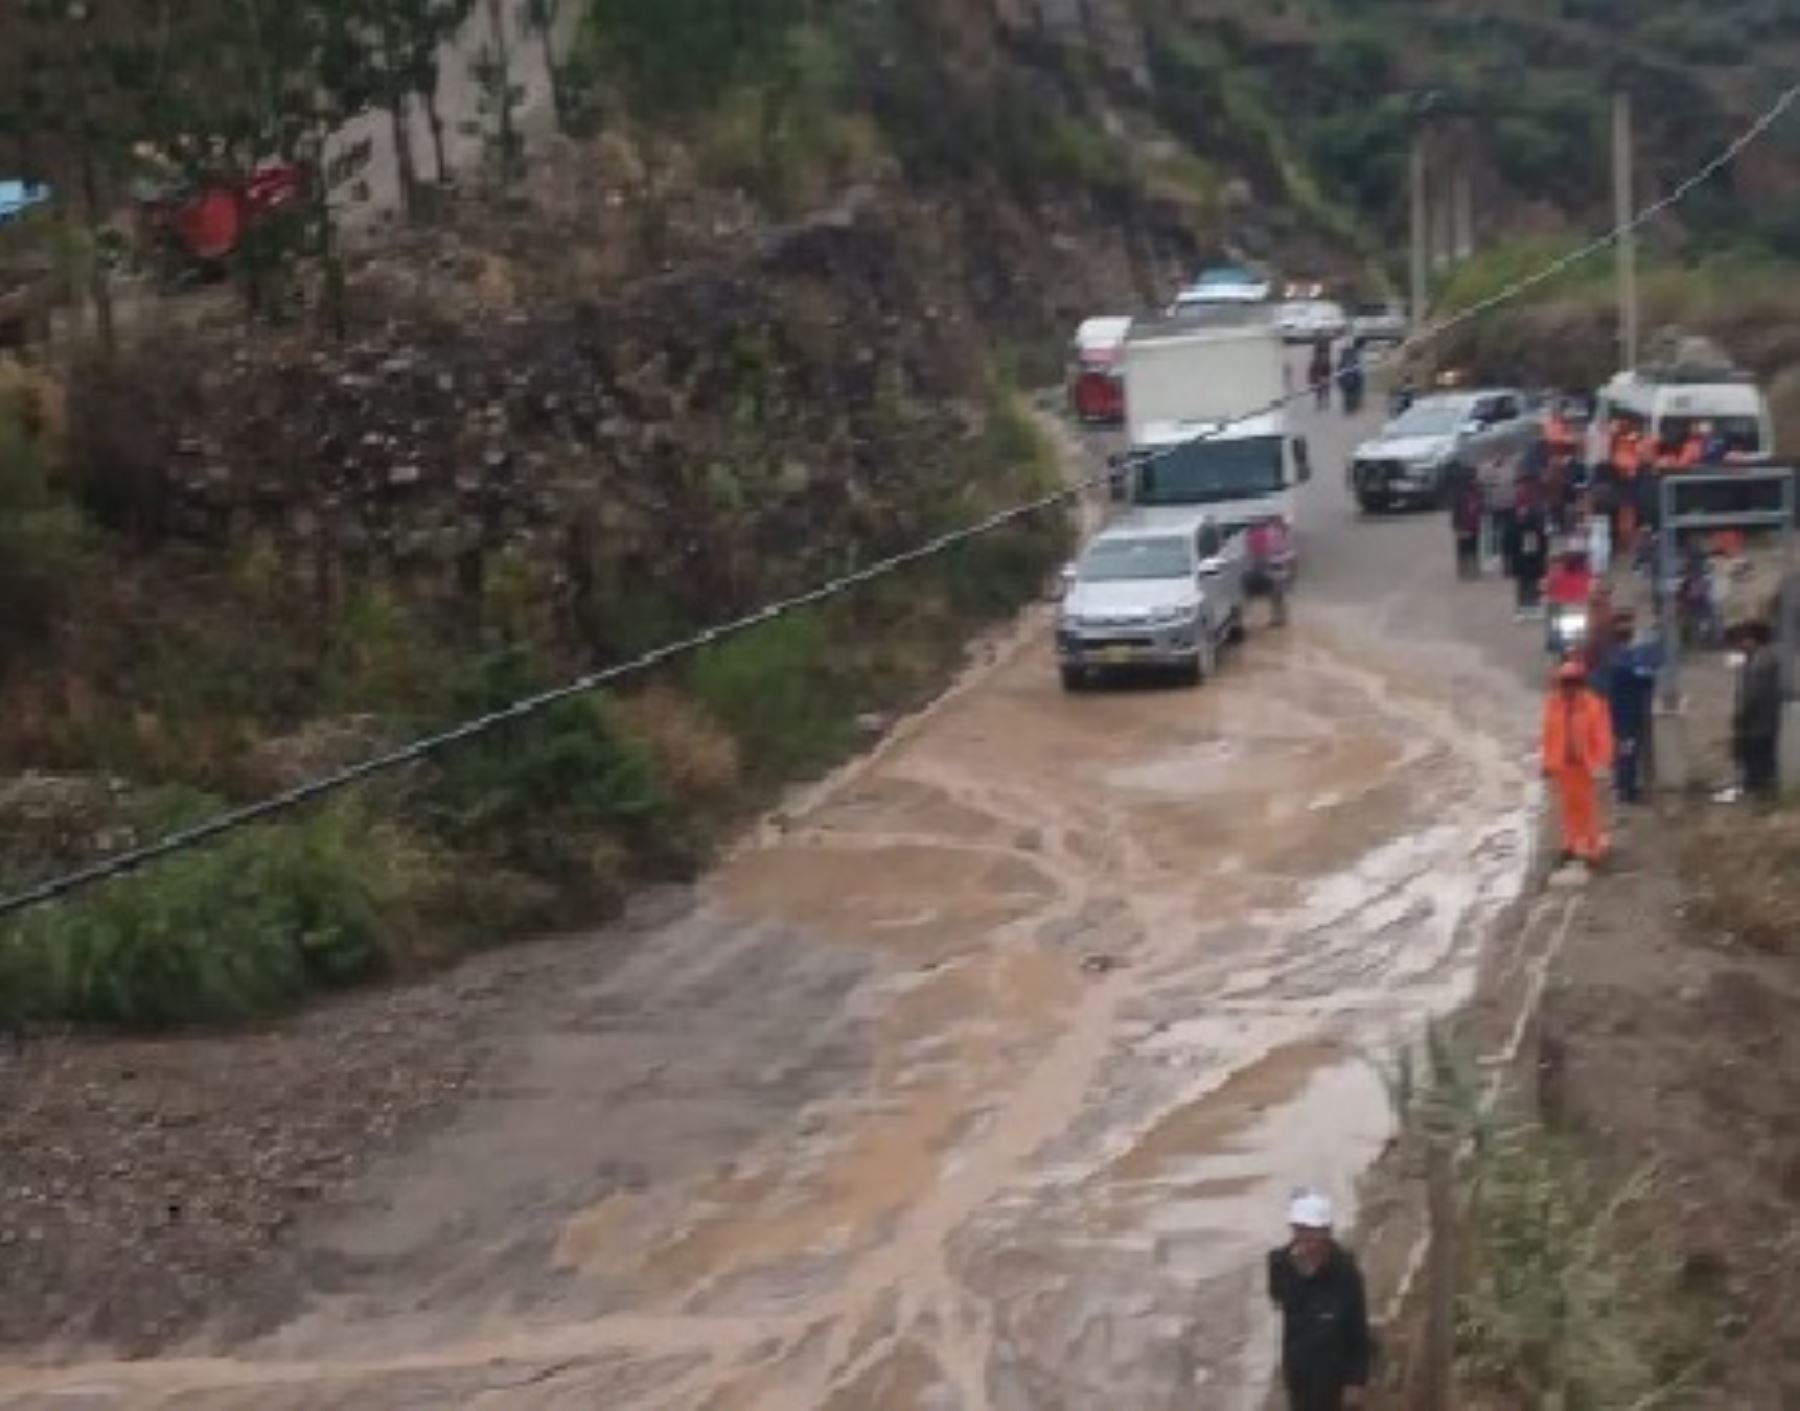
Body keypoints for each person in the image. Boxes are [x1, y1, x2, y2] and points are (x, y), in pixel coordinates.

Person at [1268, 1192, 1371, 1411]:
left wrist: (1356, 1381)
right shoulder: (1280, 1264)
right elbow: (1277, 1296)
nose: (1307, 1241)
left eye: (1312, 1233)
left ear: (1326, 1233)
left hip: (1336, 1374)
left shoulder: (1345, 1272)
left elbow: (1357, 1328)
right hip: (1300, 1371)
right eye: (1300, 1231)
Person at [1541, 659, 1614, 867]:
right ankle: (1571, 844)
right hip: (1564, 765)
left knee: (1590, 809)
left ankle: (1593, 847)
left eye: (1572, 683)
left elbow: (1603, 736)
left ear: (1580, 684)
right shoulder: (1553, 705)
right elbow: (1548, 735)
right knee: (1568, 807)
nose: (1568, 688)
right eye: (1565, 683)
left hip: (1587, 766)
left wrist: (1602, 762)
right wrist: (1547, 763)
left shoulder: (1594, 705)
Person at [1607, 609, 1661, 805]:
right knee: (1627, 751)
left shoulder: (1622, 655)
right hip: (1626, 715)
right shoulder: (1621, 658)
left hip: (1625, 713)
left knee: (1626, 750)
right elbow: (1644, 679)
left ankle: (1624, 785)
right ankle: (1626, 789)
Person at [1731, 619, 1783, 801]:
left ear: (1754, 640)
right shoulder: (1764, 658)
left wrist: (1740, 715)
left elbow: (1752, 694)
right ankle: (1760, 788)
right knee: (1763, 757)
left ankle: (1758, 791)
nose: (1740, 644)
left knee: (1756, 757)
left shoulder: (1761, 662)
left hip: (1758, 722)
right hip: (1765, 720)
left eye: (1744, 639)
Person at [1247, 515, 1293, 626]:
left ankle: (1280, 618)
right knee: (1276, 594)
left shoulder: (1275, 534)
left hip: (1276, 565)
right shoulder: (1277, 533)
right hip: (1276, 565)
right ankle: (1279, 617)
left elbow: (1274, 550)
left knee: (1276, 594)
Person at [1452, 476, 1483, 580]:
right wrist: (1456, 525)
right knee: (1463, 549)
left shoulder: (1477, 495)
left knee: (1473, 548)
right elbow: (1456, 511)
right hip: (1463, 526)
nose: (1474, 483)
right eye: (1472, 481)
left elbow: (1479, 511)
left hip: (1473, 526)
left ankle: (1473, 570)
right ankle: (1463, 571)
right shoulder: (1461, 495)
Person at [1336, 341, 1365, 416]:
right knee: (1349, 394)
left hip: (1349, 378)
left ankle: (1349, 408)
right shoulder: (1352, 356)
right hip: (1350, 378)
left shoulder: (1346, 356)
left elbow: (1339, 369)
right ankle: (1350, 408)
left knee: (1348, 394)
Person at [1309, 338, 1333, 411]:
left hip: (1324, 374)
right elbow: (1313, 369)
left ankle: (1324, 403)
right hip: (1321, 374)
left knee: (1324, 390)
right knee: (1321, 390)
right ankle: (1322, 403)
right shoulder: (1318, 359)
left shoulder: (1324, 359)